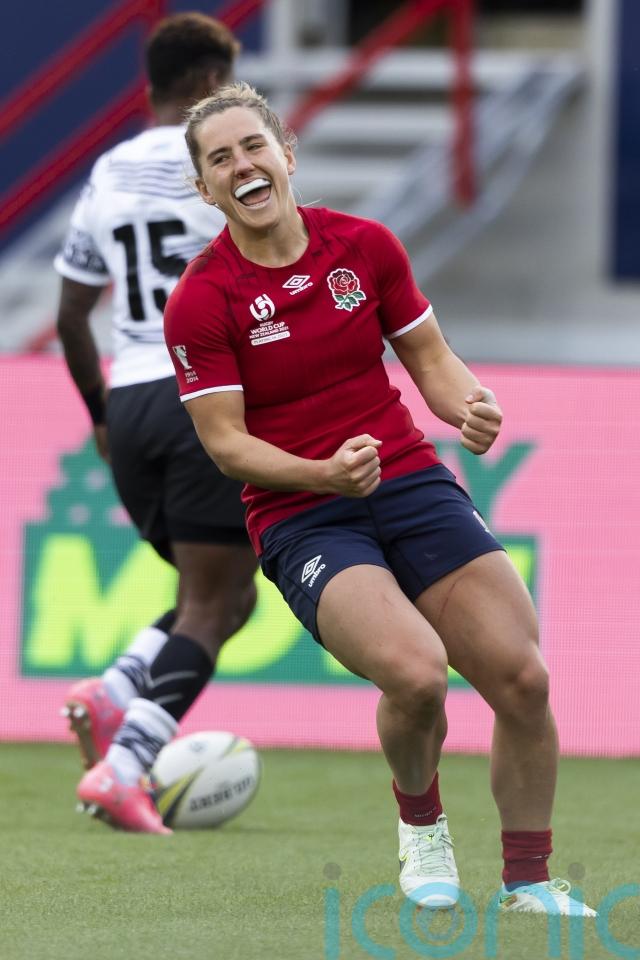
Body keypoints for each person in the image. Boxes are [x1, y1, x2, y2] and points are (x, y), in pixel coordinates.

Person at [163, 81, 597, 914]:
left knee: (523, 679)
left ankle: (529, 880)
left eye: (253, 146)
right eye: (220, 159)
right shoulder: (202, 300)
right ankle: (422, 828)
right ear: (206, 187)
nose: (241, 165)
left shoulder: (364, 247)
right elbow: (226, 444)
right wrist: (322, 473)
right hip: (302, 513)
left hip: (409, 482)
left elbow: (430, 358)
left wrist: (468, 406)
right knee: (416, 675)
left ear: (286, 154)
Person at [54, 15, 258, 835]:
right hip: (202, 396)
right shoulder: (224, 162)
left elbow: (71, 315)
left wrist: (100, 414)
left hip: (132, 401)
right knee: (214, 604)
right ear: (210, 83)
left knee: (225, 596)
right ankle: (125, 766)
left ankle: (115, 689)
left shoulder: (108, 170)